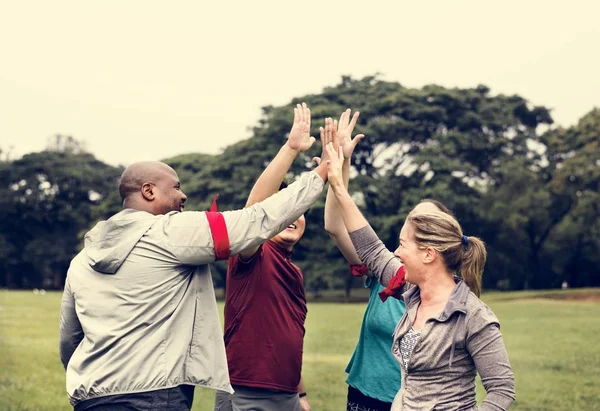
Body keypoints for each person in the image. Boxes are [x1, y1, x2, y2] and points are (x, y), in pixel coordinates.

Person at [58, 102, 329, 411]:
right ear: (149, 191)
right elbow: (254, 220)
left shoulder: (81, 260)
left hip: (92, 398)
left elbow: (69, 340)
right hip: (155, 396)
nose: (183, 195)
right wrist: (321, 172)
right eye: (175, 187)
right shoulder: (172, 231)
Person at [324, 141, 516, 410]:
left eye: (403, 245)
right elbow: (369, 247)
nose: (396, 253)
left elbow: (502, 389)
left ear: (428, 254)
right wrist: (338, 186)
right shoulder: (410, 292)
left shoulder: (473, 316)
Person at [323, 111, 453, 411]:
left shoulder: (454, 297)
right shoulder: (385, 269)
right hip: (366, 395)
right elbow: (334, 226)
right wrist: (340, 164)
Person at [214, 104, 325, 411]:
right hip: (247, 393)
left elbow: (288, 335)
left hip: (287, 394)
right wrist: (291, 150)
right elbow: (253, 213)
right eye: (282, 211)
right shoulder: (253, 253)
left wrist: (299, 394)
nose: (292, 218)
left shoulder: (294, 270)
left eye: (298, 212)